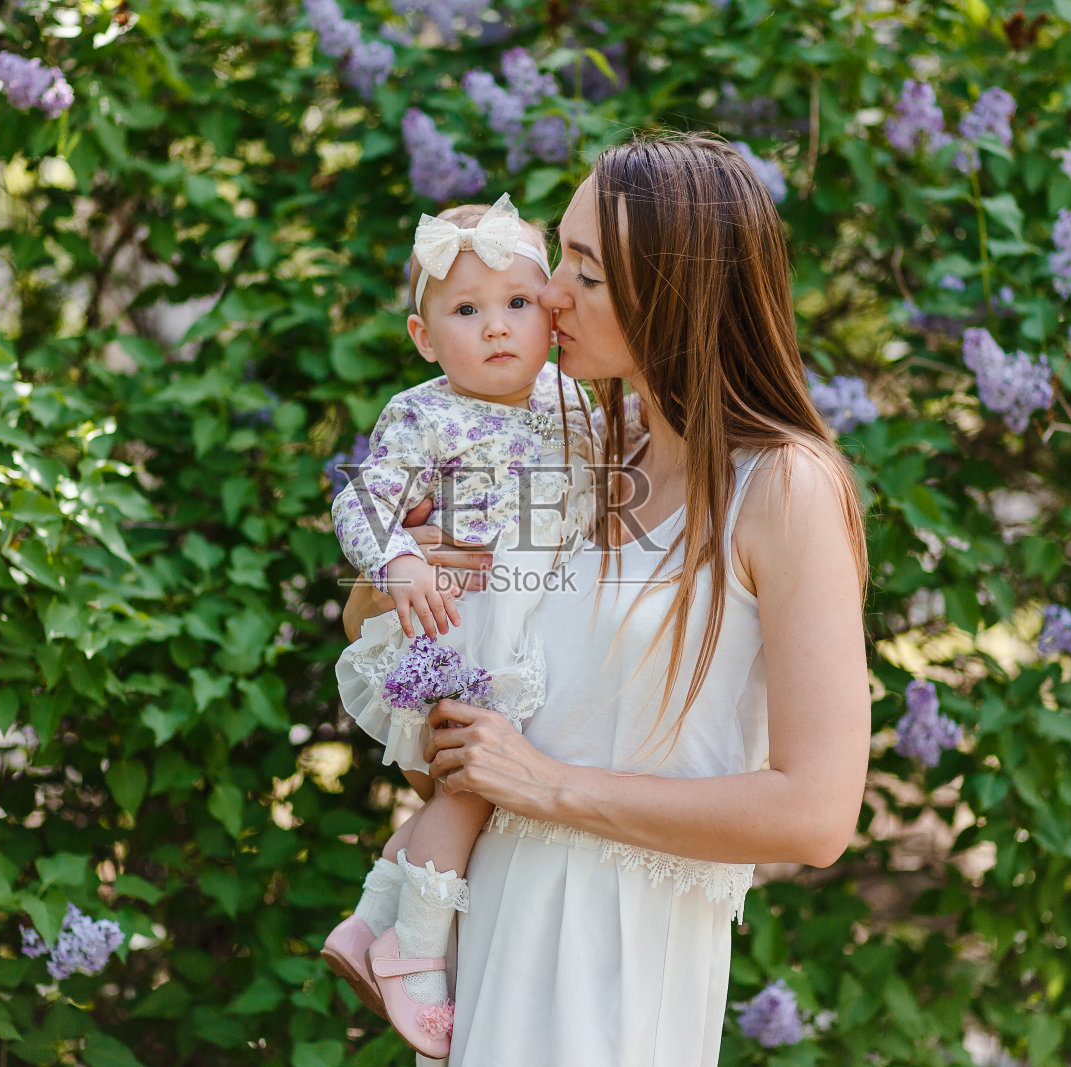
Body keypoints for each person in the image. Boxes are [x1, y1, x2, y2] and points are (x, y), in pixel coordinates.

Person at [340, 132, 872, 1067]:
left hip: (619, 959)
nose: (548, 295)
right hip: (491, 927)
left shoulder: (782, 488)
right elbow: (442, 723)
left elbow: (818, 812)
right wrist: (397, 585)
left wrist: (548, 785)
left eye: (583, 273)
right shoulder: (581, 453)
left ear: (673, 293)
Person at [323, 193, 599, 1057]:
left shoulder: (574, 401)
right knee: (474, 784)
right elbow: (362, 500)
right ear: (423, 335)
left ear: (549, 315)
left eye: (517, 302)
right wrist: (400, 562)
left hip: (535, 614)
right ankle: (415, 951)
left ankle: (369, 920)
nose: (497, 327)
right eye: (466, 311)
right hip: (463, 621)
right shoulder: (424, 413)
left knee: (468, 788)